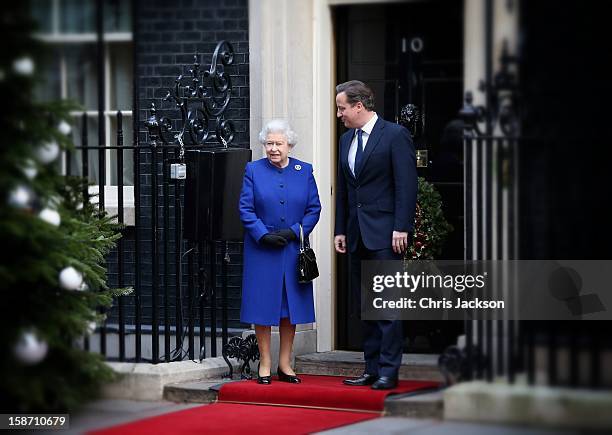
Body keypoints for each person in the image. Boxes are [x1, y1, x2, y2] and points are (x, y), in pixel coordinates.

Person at [334, 80, 417, 389]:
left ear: (360, 106)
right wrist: (340, 229)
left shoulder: (395, 135)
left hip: (386, 233)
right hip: (356, 233)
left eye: (342, 108)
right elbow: (345, 189)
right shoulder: (345, 140)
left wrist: (401, 226)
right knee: (366, 307)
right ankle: (370, 368)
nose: (339, 114)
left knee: (388, 307)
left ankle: (388, 370)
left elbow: (407, 186)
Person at [239, 119, 321, 385]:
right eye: (269, 143)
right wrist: (263, 234)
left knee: (290, 308)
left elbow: (314, 208)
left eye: (278, 143)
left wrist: (295, 231)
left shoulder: (304, 170)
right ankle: (265, 363)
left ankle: (285, 364)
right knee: (263, 305)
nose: (273, 148)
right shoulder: (253, 170)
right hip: (262, 249)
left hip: (293, 248)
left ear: (289, 145)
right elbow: (245, 209)